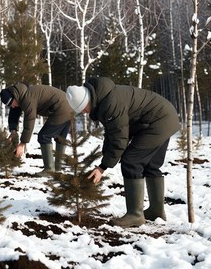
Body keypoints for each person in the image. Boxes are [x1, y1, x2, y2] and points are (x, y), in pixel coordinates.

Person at [66, 77, 180, 228]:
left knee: (131, 162)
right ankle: (156, 211)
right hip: (162, 117)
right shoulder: (104, 99)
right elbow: (112, 133)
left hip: (158, 120)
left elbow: (119, 139)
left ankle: (135, 215)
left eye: (82, 108)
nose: (84, 113)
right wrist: (103, 162)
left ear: (87, 101)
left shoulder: (110, 104)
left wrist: (103, 167)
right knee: (151, 165)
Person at [0, 83, 72, 177]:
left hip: (62, 108)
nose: (12, 106)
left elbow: (30, 120)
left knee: (44, 136)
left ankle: (49, 170)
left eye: (11, 103)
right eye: (9, 105)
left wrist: (22, 143)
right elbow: (14, 113)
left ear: (14, 97)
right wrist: (13, 131)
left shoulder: (28, 98)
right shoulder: (20, 96)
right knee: (60, 138)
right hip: (70, 106)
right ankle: (57, 169)